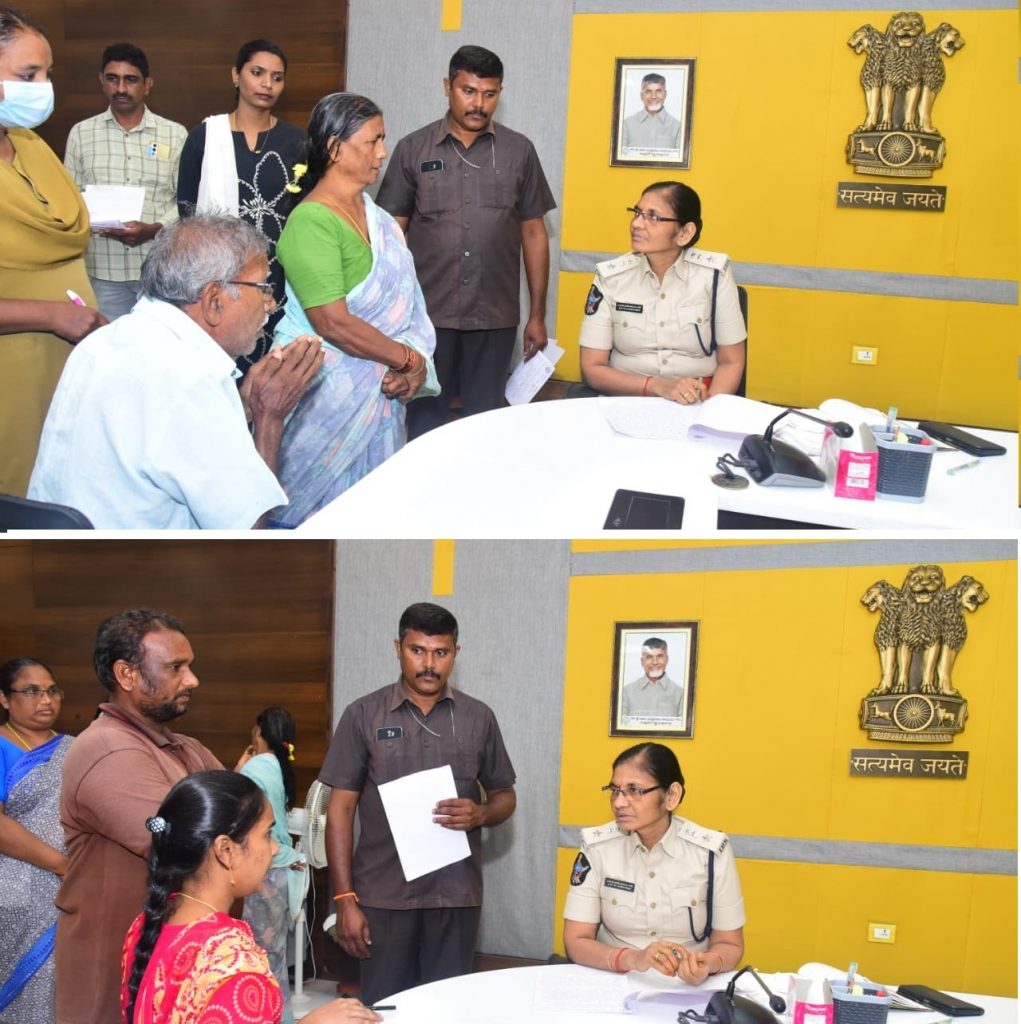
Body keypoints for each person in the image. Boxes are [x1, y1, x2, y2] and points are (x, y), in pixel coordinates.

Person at [28, 215, 324, 529]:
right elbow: (247, 534)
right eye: (262, 287)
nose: (270, 303)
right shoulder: (188, 379)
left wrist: (246, 407)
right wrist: (270, 418)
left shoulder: (105, 341)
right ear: (214, 302)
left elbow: (168, 439)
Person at [320, 602, 517, 1005]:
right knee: (387, 1008)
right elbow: (340, 811)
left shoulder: (479, 717)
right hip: (383, 897)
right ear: (398, 648)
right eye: (417, 651)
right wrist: (344, 900)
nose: (429, 664)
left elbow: (505, 796)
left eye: (440, 652)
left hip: (456, 896)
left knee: (448, 1009)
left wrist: (481, 813)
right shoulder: (363, 715)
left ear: (456, 653)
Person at [271, 92, 437, 526]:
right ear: (334, 148)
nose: (383, 153)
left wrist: (411, 365)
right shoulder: (312, 221)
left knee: (374, 514)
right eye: (372, 141)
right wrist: (407, 360)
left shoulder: (378, 219)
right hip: (325, 398)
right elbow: (332, 323)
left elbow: (406, 307)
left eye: (383, 140)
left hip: (382, 392)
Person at [376, 44, 556, 439]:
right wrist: (389, 312)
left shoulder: (519, 151)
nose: (479, 104)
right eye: (468, 91)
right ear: (448, 87)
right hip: (427, 316)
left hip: (494, 316)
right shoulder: (413, 149)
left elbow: (533, 232)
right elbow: (390, 235)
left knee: (486, 426)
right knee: (424, 423)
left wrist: (538, 315)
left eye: (489, 94)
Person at [55, 609, 223, 1024]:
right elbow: (185, 843)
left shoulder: (186, 746)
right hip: (116, 970)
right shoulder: (106, 749)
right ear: (127, 675)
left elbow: (251, 815)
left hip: (171, 959)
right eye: (175, 668)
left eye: (190, 666)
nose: (192, 680)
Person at [121, 770, 381, 1024]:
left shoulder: (145, 926)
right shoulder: (234, 966)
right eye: (267, 834)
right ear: (226, 850)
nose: (275, 848)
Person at [0, 4, 105, 497]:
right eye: (28, 75)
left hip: (63, 364)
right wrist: (51, 315)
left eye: (47, 73)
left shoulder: (30, 144)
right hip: (12, 373)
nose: (43, 87)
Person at [563, 742, 745, 983]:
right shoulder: (597, 848)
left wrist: (708, 963)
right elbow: (576, 941)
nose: (618, 802)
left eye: (634, 790)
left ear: (671, 796)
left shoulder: (710, 852)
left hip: (686, 987)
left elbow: (730, 944)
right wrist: (633, 959)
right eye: (615, 790)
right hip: (617, 979)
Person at [177, 39, 307, 373]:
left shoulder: (298, 143)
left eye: (277, 77)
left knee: (274, 373)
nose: (267, 84)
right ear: (236, 75)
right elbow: (188, 214)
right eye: (257, 73)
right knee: (221, 372)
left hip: (280, 278)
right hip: (218, 278)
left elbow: (304, 215)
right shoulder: (205, 137)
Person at [579, 181, 746, 404]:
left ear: (685, 233)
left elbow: (731, 362)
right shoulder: (610, 278)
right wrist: (655, 386)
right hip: (628, 399)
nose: (636, 224)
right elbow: (592, 367)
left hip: (697, 400)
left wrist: (708, 411)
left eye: (653, 217)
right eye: (637, 213)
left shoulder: (714, 275)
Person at [64, 42, 187, 320]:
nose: (121, 88)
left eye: (130, 80)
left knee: (159, 343)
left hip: (159, 270)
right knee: (109, 343)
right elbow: (70, 200)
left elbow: (185, 200)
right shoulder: (82, 134)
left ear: (147, 85)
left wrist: (155, 229)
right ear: (101, 81)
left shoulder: (175, 134)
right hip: (103, 271)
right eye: (112, 79)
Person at [0, 658, 72, 1022]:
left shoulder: (76, 747)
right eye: (31, 691)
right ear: (4, 698)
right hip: (16, 891)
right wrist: (60, 864)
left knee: (64, 990)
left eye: (52, 691)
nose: (45, 700)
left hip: (75, 889)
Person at [234, 707, 306, 1024]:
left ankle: (262, 1015)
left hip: (262, 872)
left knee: (256, 957)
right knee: (274, 957)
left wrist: (238, 771)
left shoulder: (256, 768)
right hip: (280, 872)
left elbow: (233, 811)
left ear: (260, 731)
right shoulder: (277, 766)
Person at [621, 638, 683, 720]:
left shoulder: (680, 694)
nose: (655, 662)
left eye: (659, 656)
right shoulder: (626, 693)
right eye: (649, 657)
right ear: (642, 661)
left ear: (667, 660)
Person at [621, 73, 682, 152]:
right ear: (641, 96)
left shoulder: (678, 127)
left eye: (658, 91)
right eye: (648, 91)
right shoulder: (627, 124)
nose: (653, 96)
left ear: (665, 95)